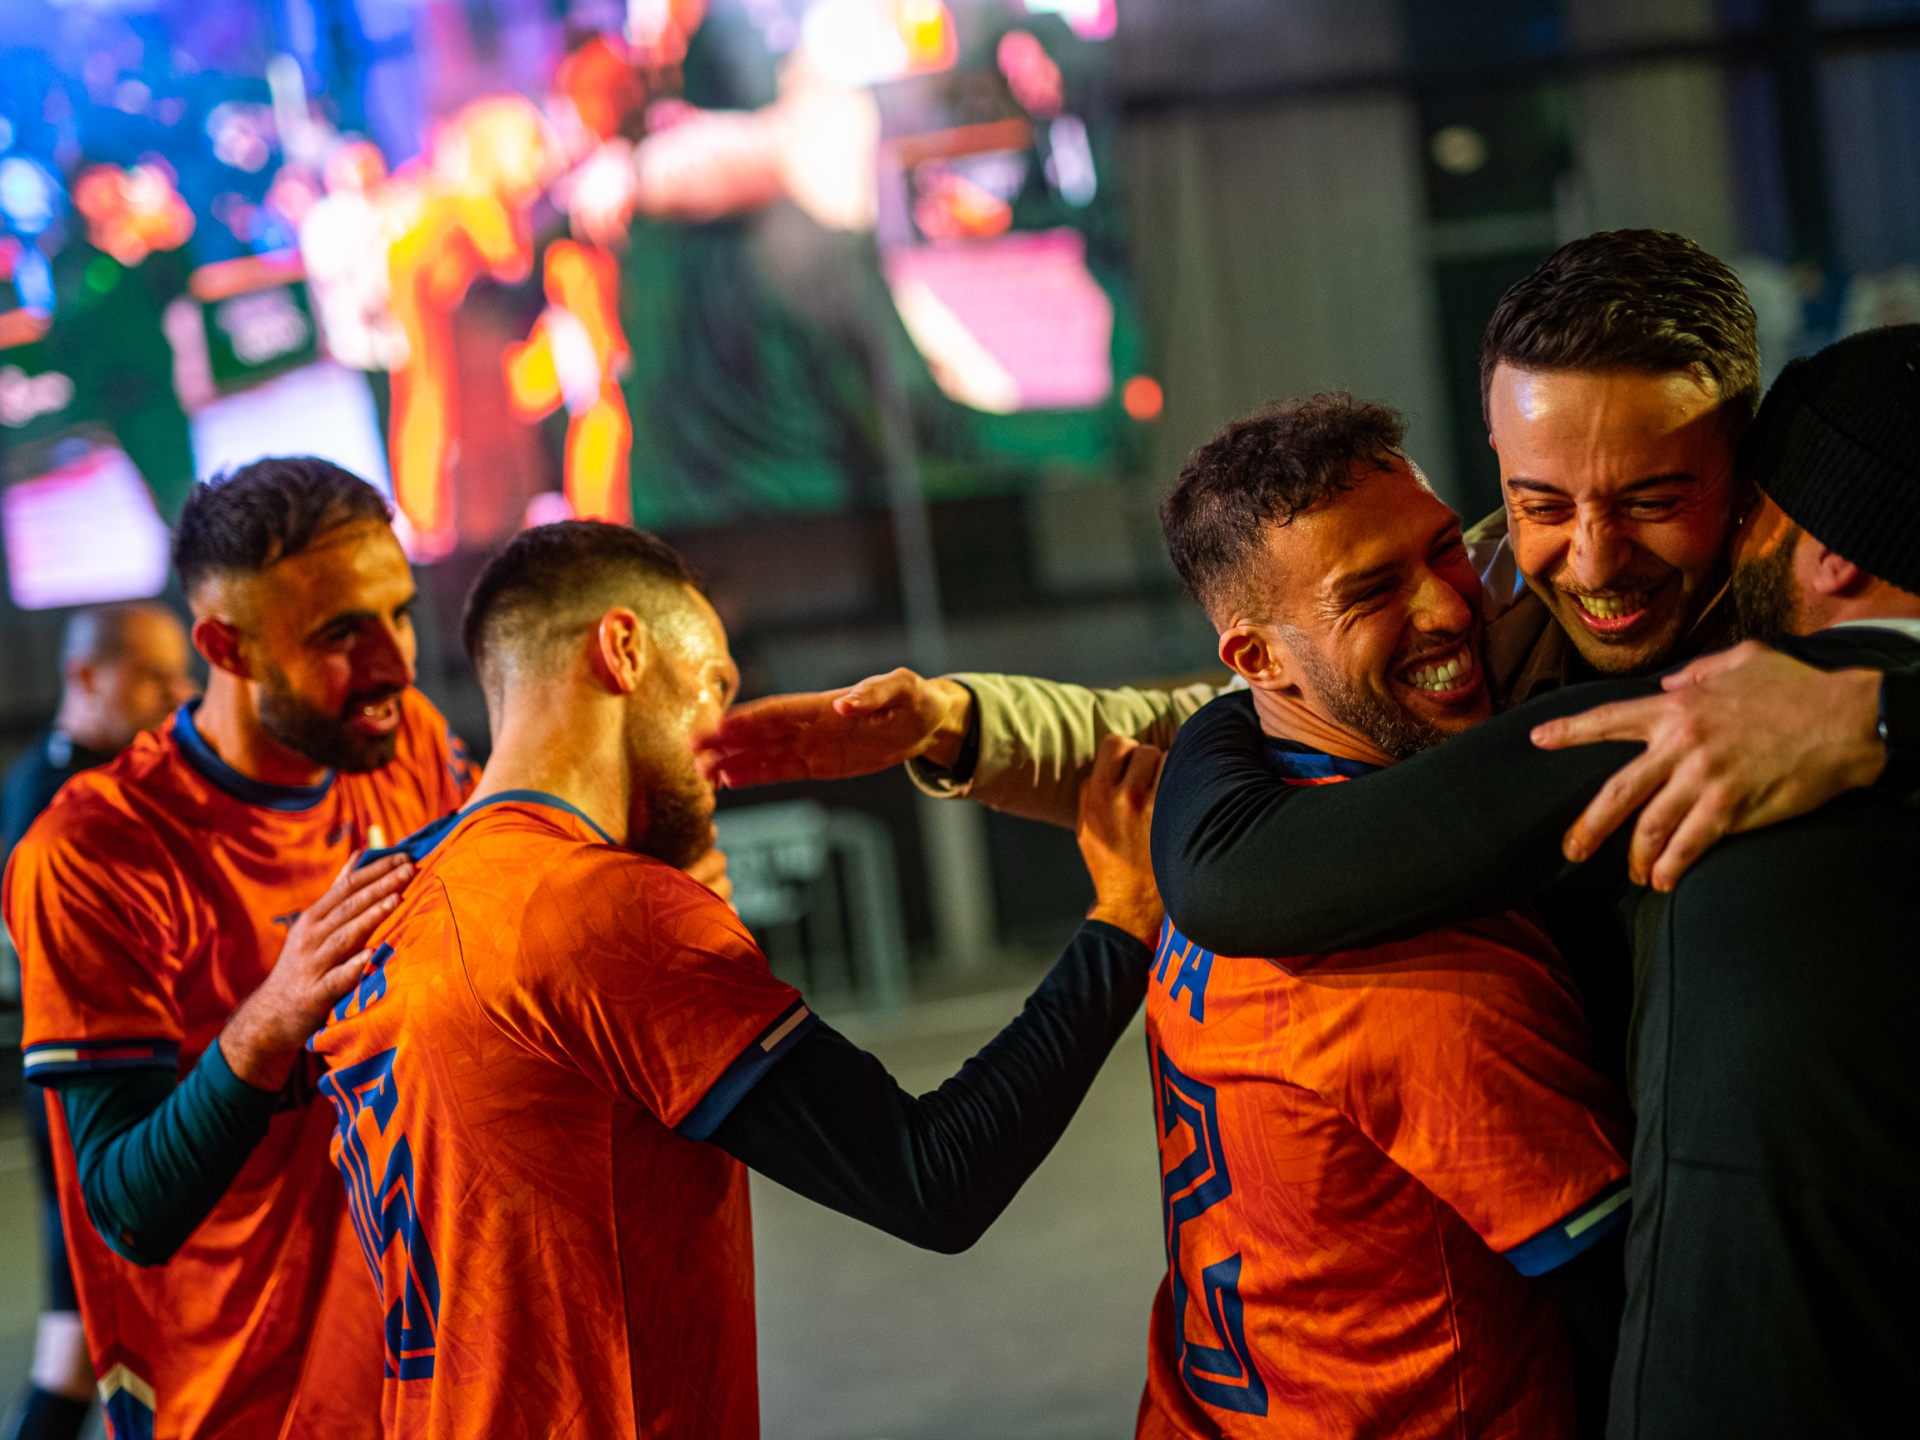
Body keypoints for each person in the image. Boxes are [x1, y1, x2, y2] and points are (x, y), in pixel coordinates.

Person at [1148, 329, 1920, 1436]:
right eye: (1538, 507)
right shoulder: (1421, 968)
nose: (1456, 604)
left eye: (1669, 501)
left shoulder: (1727, 723)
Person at [309, 521, 1165, 1438]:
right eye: (715, 683)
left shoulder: (390, 902)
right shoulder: (593, 906)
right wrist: (1123, 920)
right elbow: (935, 1179)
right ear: (623, 648)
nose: (722, 730)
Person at [1125, 396, 1631, 1439]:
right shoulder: (1418, 976)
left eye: (1445, 550)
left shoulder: (1250, 824)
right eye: (1371, 593)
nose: (1448, 608)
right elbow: (1649, 1312)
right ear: (1257, 659)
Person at [2, 458, 470, 1440]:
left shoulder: (412, 745)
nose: (395, 662)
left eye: (397, 613)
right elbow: (127, 1209)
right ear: (226, 645)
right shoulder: (94, 850)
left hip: (423, 1373)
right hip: (232, 1400)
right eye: (340, 633)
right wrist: (274, 1018)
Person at [1, 604, 195, 1440]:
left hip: (101, 1090)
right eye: (153, 677)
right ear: (85, 676)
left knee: (79, 1340)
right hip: (85, 1098)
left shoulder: (109, 780)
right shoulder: (60, 798)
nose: (178, 694)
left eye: (181, 674)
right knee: (84, 1340)